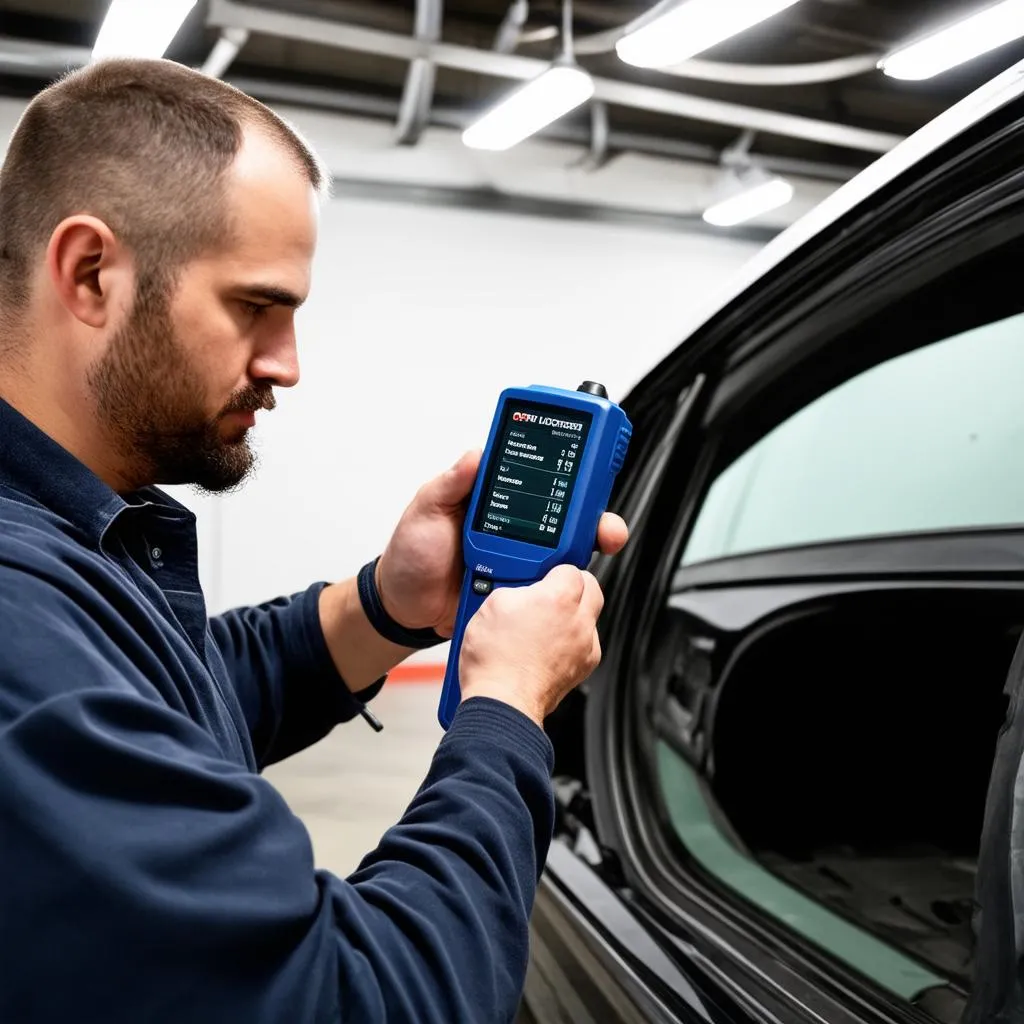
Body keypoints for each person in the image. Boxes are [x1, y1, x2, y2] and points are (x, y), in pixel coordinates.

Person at [0, 59, 628, 1023]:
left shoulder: (63, 540)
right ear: (90, 273)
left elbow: (170, 698)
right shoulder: (17, 630)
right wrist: (505, 710)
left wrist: (387, 602)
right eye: (257, 306)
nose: (287, 365)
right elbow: (363, 999)